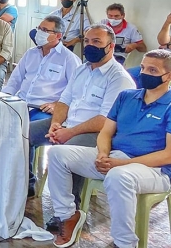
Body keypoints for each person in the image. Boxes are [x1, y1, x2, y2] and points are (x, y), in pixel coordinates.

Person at [45, 49, 171, 248]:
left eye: (153, 70)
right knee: (58, 154)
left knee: (119, 175)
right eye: (143, 68)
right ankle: (67, 215)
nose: (145, 73)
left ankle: (125, 243)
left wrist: (122, 163)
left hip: (154, 170)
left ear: (168, 75)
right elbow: (106, 132)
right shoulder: (126, 97)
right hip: (114, 158)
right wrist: (103, 155)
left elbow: (168, 155)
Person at [28, 24, 135, 205]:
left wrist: (69, 132)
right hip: (68, 124)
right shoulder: (82, 69)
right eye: (87, 41)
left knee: (67, 150)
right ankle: (26, 184)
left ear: (110, 46)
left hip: (96, 133)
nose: (89, 45)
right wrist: (56, 124)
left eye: (96, 41)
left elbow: (105, 120)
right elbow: (64, 101)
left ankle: (70, 208)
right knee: (23, 133)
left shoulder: (119, 78)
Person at [3, 16, 81, 123]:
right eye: (39, 28)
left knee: (29, 131)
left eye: (44, 30)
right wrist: (4, 98)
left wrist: (57, 105)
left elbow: (76, 91)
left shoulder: (69, 59)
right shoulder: (31, 53)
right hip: (21, 104)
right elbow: (15, 80)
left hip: (43, 109)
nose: (39, 32)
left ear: (58, 35)